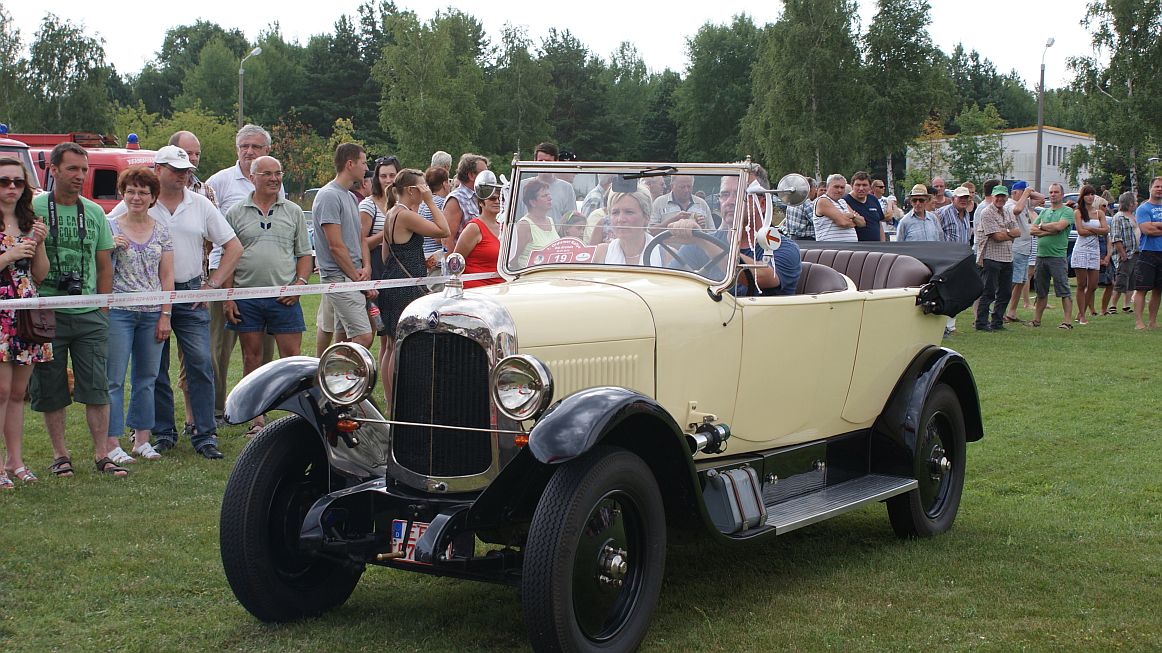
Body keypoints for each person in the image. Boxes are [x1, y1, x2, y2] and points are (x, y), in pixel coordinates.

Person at [109, 145, 240, 459]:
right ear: (158, 170)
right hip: (151, 296)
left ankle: (204, 433)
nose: (183, 175)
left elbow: (234, 246)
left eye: (186, 171)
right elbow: (107, 232)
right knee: (154, 369)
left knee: (201, 363)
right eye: (176, 170)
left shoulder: (200, 204)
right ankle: (162, 432)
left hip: (191, 292)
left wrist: (211, 285)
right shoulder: (137, 201)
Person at [29, 143, 123, 477]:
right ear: (53, 170)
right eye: (72, 169)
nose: (80, 176)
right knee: (51, 387)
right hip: (46, 311)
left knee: (97, 386)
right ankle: (60, 455)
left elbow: (104, 265)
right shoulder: (34, 207)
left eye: (83, 169)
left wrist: (103, 308)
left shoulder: (94, 212)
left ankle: (102, 454)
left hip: (88, 313)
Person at [222, 156, 312, 436]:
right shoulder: (235, 213)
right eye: (267, 174)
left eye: (278, 173)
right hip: (246, 296)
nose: (274, 178)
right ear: (252, 178)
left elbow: (304, 254)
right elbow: (227, 257)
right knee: (252, 358)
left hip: (284, 297)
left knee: (292, 360)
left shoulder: (294, 211)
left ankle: (296, 418)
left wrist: (298, 285)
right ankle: (256, 419)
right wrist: (228, 297)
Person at [205, 124, 279, 424]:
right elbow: (206, 231)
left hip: (264, 280)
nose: (249, 151)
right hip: (224, 274)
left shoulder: (275, 181)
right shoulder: (219, 182)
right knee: (219, 347)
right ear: (237, 149)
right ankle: (216, 409)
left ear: (267, 150)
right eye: (244, 146)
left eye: (256, 147)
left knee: (263, 347)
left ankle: (257, 404)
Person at [105, 167, 173, 463]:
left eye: (143, 192)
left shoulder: (162, 230)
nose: (136, 197)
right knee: (114, 380)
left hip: (152, 314)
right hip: (118, 312)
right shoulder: (109, 227)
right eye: (131, 191)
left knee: (147, 377)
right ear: (122, 193)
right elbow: (99, 268)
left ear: (153, 197)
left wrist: (165, 315)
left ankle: (142, 439)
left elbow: (167, 276)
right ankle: (111, 442)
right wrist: (109, 248)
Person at [0, 157, 51, 487]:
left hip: (27, 314)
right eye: (4, 181)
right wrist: (9, 255)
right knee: (1, 391)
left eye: (18, 182)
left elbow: (40, 275)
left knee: (19, 392)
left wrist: (40, 244)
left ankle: (15, 461)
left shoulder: (29, 222)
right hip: (1, 312)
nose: (12, 188)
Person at [380, 168, 450, 402]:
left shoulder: (391, 212)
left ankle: (391, 402)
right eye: (423, 187)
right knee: (400, 345)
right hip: (405, 288)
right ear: (411, 190)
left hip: (392, 281)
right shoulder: (405, 215)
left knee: (391, 345)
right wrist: (430, 202)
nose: (426, 191)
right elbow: (444, 230)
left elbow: (386, 255)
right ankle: (399, 400)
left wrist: (418, 262)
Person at [313, 143, 377, 347]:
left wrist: (367, 267)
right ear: (350, 164)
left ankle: (333, 369)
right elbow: (336, 246)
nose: (366, 168)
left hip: (353, 275)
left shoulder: (350, 196)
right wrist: (358, 280)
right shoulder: (328, 196)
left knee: (344, 339)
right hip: (338, 278)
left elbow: (360, 238)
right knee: (364, 336)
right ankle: (337, 369)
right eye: (363, 162)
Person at [359, 155, 401, 355]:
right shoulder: (368, 205)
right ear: (376, 178)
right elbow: (361, 242)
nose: (388, 180)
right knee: (382, 333)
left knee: (394, 335)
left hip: (397, 271)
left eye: (392, 175)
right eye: (383, 176)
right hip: (377, 271)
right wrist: (387, 231)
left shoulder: (401, 203)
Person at [1029, 183, 1075, 329]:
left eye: (1056, 192)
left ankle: (1067, 322)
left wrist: (1043, 226)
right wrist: (1049, 230)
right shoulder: (1044, 212)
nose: (1053, 194)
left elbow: (1060, 226)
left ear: (1062, 195)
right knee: (1041, 291)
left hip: (1057, 256)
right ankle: (1036, 320)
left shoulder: (1067, 211)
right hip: (1041, 256)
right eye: (1051, 192)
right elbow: (1032, 230)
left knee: (1063, 290)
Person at [974, 185, 1020, 331]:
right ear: (993, 197)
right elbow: (997, 237)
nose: (1000, 199)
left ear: (1006, 197)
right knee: (989, 292)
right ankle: (981, 323)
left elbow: (1018, 232)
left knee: (1005, 293)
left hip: (1007, 257)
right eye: (997, 196)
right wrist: (1009, 232)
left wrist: (1005, 232)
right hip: (990, 257)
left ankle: (997, 322)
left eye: (1003, 196)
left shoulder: (1008, 211)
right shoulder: (986, 212)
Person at [454, 171, 505, 289]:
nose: (497, 201)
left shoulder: (503, 227)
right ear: (481, 202)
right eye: (492, 198)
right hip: (476, 290)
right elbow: (456, 261)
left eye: (500, 198)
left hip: (499, 288)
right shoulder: (474, 227)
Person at [1070, 185, 1109, 326]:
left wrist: (1091, 229)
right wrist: (1097, 230)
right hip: (1081, 250)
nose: (1090, 197)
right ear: (1083, 196)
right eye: (1087, 194)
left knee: (1093, 285)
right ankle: (1081, 315)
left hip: (1094, 251)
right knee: (1081, 284)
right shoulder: (1078, 212)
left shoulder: (1099, 213)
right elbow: (1080, 231)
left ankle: (1081, 312)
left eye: (1092, 194)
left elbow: (1106, 230)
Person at [595, 189, 664, 266]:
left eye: (629, 212)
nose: (620, 219)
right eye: (615, 212)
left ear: (646, 217)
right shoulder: (600, 253)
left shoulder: (665, 255)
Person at [1003, 181, 1038, 323]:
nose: (1026, 195)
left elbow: (1041, 199)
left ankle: (1012, 312)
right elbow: (1016, 210)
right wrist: (1025, 194)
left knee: (1021, 281)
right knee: (1013, 281)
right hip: (1016, 247)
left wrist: (1029, 192)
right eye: (1023, 192)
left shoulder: (1024, 202)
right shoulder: (1010, 204)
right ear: (1015, 192)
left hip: (1025, 247)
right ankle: (1000, 310)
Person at [520, 142, 577, 223]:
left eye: (548, 161)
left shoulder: (567, 188)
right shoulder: (522, 186)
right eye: (540, 161)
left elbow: (571, 221)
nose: (544, 164)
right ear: (535, 161)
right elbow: (515, 219)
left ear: (556, 162)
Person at [1133, 176, 1162, 330]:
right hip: (1148, 253)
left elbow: (1152, 227)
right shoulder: (1143, 209)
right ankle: (1139, 322)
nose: (1159, 189)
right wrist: (1153, 226)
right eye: (1157, 186)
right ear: (1150, 188)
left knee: (1158, 290)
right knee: (1142, 288)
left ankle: (1152, 321)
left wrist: (1155, 224)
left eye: (1161, 187)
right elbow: (1147, 230)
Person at [510, 179, 561, 267]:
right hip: (531, 274)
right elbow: (512, 260)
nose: (550, 198)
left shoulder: (550, 221)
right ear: (532, 202)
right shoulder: (524, 225)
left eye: (549, 194)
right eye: (544, 196)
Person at [443, 153, 489, 249]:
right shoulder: (456, 199)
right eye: (484, 174)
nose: (488, 177)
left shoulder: (481, 197)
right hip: (464, 257)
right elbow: (447, 240)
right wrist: (453, 259)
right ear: (471, 175)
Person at [1109, 192, 1138, 315]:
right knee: (1121, 280)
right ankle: (1113, 305)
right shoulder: (1119, 217)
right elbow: (1116, 237)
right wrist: (1123, 254)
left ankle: (1126, 305)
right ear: (1130, 203)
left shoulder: (1134, 216)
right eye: (1135, 201)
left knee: (1132, 281)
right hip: (1125, 254)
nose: (1136, 203)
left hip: (1136, 253)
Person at [419, 165, 451, 269]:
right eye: (448, 182)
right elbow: (439, 238)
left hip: (425, 257)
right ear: (444, 184)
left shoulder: (422, 204)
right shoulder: (443, 203)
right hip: (437, 261)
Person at [812, 174, 862, 241]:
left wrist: (852, 216)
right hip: (832, 246)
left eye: (842, 187)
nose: (839, 190)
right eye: (836, 187)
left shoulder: (843, 202)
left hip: (849, 245)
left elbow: (862, 223)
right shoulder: (823, 200)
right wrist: (853, 219)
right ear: (827, 187)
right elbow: (843, 222)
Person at [845, 171, 887, 241]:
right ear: (852, 186)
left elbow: (879, 223)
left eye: (864, 185)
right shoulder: (845, 201)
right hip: (856, 245)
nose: (861, 188)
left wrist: (883, 243)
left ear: (870, 187)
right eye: (858, 185)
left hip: (876, 245)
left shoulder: (873, 199)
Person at [783, 176, 817, 241]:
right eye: (815, 188)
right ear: (809, 189)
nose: (816, 191)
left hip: (793, 238)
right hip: (807, 240)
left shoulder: (791, 201)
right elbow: (816, 222)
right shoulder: (806, 203)